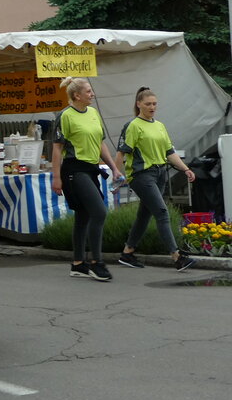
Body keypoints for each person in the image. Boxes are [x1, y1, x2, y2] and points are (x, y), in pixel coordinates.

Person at [50, 77, 124, 281]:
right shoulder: (65, 116)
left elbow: (100, 144)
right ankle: (96, 262)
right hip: (74, 169)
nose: (93, 94)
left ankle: (78, 263)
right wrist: (56, 178)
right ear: (77, 95)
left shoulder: (93, 113)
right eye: (89, 91)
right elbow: (57, 149)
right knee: (99, 212)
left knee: (83, 216)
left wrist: (113, 168)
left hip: (91, 169)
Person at [116, 87, 196, 271]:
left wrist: (186, 169)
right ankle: (177, 256)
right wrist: (116, 173)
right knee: (161, 212)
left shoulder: (159, 125)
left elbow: (170, 152)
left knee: (144, 215)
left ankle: (127, 253)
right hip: (142, 175)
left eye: (154, 104)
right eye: (148, 104)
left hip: (160, 174)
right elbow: (122, 152)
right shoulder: (133, 126)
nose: (152, 107)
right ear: (138, 105)